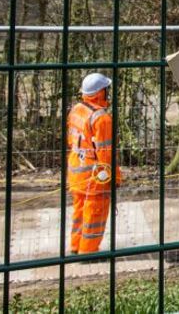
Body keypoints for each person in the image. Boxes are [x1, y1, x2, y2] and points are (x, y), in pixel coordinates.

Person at [67, 72, 121, 254]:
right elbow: (106, 155)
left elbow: (71, 139)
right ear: (100, 93)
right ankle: (88, 251)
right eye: (107, 89)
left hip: (76, 171)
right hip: (95, 176)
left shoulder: (76, 110)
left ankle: (76, 246)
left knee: (79, 212)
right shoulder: (102, 119)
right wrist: (115, 178)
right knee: (94, 215)